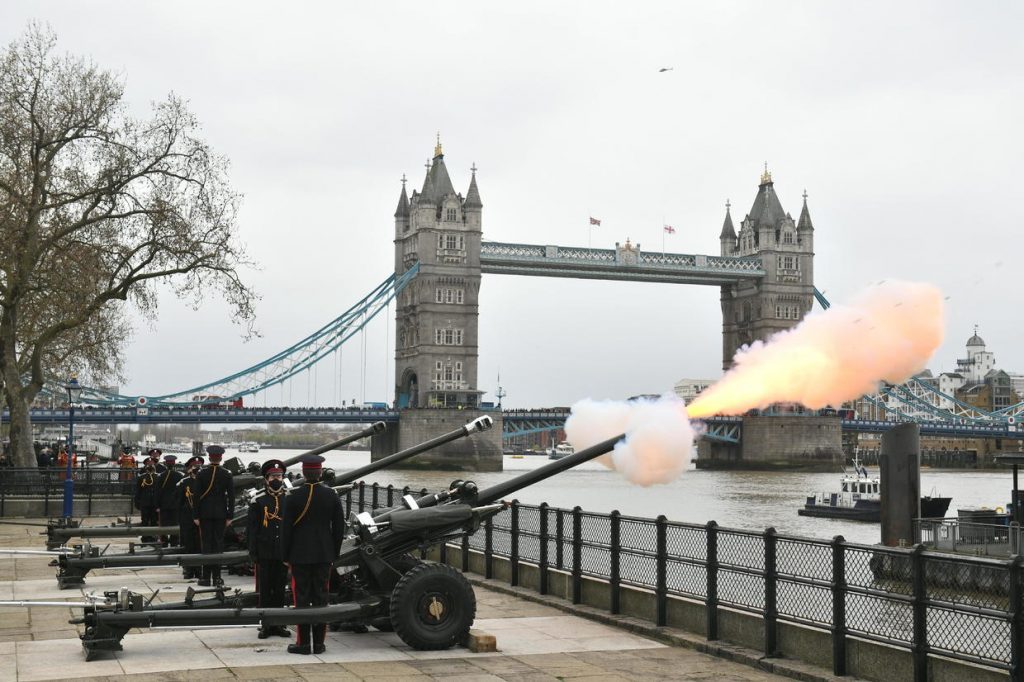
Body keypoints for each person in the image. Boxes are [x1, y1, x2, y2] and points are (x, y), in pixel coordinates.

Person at [281, 454, 345, 655]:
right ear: (320, 472)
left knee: (301, 599)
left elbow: (286, 530)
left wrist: (285, 555)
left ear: (303, 472)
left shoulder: (293, 496)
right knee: (321, 598)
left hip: (299, 555)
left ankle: (303, 643)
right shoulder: (331, 495)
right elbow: (339, 529)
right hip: (324, 555)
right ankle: (319, 643)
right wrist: (333, 553)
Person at [246, 459, 290, 639]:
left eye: (279, 476)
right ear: (266, 478)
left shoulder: (289, 498)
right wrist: (253, 552)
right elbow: (252, 529)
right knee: (264, 590)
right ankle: (265, 624)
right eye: (273, 476)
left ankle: (279, 624)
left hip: (282, 552)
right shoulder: (258, 500)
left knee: (280, 589)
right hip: (264, 551)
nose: (276, 479)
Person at [194, 445, 233, 587]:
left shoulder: (201, 473)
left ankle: (205, 577)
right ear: (221, 457)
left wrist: (195, 515)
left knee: (206, 545)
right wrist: (230, 516)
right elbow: (231, 497)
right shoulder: (227, 474)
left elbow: (196, 496)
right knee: (218, 545)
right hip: (221, 514)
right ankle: (217, 577)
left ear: (209, 457)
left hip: (204, 514)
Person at [177, 456, 203, 579]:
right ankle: (188, 568)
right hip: (187, 517)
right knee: (187, 543)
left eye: (199, 466)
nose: (197, 469)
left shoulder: (204, 481)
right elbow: (180, 500)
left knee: (199, 544)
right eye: (195, 466)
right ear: (190, 468)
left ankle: (198, 569)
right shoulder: (184, 482)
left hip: (200, 517)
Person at [156, 454, 184, 546]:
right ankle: (174, 543)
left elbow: (158, 492)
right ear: (174, 463)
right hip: (175, 504)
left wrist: (158, 505)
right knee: (175, 524)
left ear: (165, 463)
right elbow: (181, 492)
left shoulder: (161, 476)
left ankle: (164, 543)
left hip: (164, 504)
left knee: (163, 525)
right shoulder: (180, 476)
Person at [134, 456, 160, 541]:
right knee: (144, 520)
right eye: (149, 464)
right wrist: (137, 503)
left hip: (155, 503)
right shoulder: (141, 477)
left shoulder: (158, 477)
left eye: (152, 464)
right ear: (145, 466)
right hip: (145, 503)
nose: (150, 465)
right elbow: (138, 491)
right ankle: (145, 537)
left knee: (154, 520)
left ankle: (154, 537)